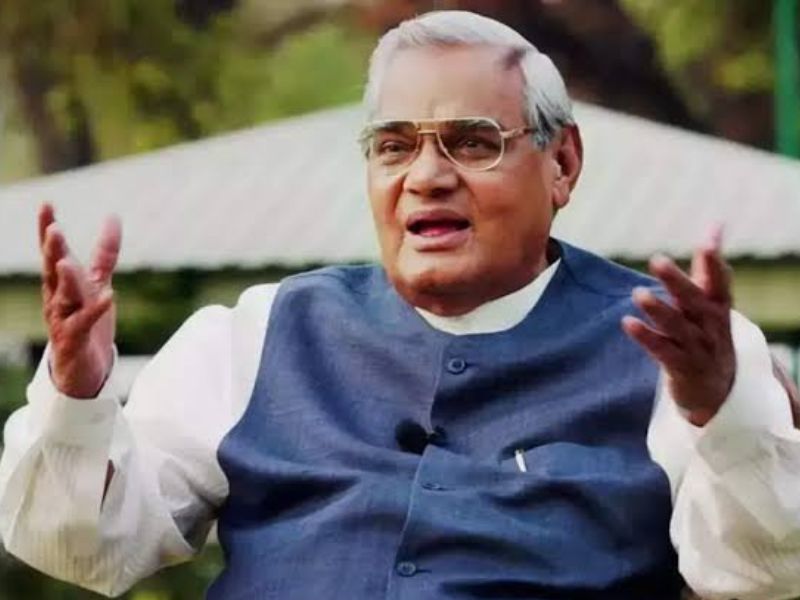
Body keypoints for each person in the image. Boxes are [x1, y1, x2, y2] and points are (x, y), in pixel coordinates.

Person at [1, 10, 799, 600]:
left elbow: (768, 572)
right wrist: (77, 396)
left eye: (472, 142)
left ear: (561, 163)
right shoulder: (253, 337)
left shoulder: (679, 349)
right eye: (395, 146)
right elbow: (83, 550)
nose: (426, 176)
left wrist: (722, 414)